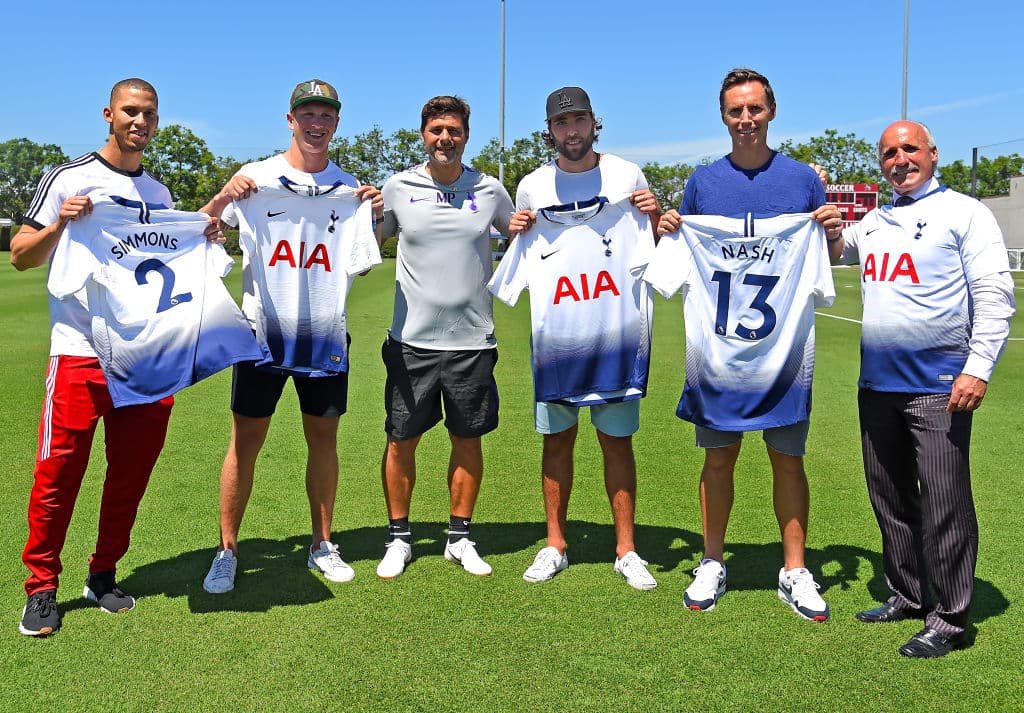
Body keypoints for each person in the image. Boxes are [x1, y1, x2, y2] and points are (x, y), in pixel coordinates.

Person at [656, 68, 843, 620]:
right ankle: (712, 560)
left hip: (785, 353)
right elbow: (677, 257)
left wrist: (831, 232)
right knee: (718, 460)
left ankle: (795, 568)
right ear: (723, 116)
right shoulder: (702, 182)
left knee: (788, 459)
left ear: (772, 111)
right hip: (718, 355)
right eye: (736, 111)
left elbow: (826, 262)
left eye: (754, 109)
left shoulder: (803, 180)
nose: (746, 119)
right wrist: (669, 228)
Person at [829, 120, 1015, 657]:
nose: (900, 159)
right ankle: (908, 595)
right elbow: (837, 250)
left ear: (933, 154)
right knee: (889, 497)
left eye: (910, 149)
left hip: (938, 388)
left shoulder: (965, 212)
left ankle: (951, 619)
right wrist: (827, 220)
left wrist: (978, 367)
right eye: (889, 153)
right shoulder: (876, 220)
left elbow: (994, 293)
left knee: (944, 502)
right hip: (877, 385)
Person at [11, 78, 189, 636]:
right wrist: (61, 221)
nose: (140, 121)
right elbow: (20, 255)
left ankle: (103, 573)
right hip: (79, 351)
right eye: (130, 111)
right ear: (108, 114)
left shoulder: (160, 194)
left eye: (149, 114)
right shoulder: (68, 177)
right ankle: (42, 587)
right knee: (58, 473)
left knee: (130, 474)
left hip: (143, 357)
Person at [200, 79, 383, 594]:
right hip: (261, 334)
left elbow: (364, 260)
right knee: (245, 442)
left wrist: (373, 213)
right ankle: (227, 550)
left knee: (323, 440)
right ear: (290, 119)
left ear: (336, 123)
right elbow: (204, 228)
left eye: (326, 115)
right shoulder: (255, 179)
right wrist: (224, 197)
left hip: (325, 335)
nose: (316, 124)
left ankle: (322, 543)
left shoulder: (351, 191)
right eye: (308, 114)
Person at [506, 86, 662, 589]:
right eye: (561, 122)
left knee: (617, 444)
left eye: (578, 120)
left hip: (616, 338)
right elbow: (518, 254)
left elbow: (656, 249)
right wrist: (517, 231)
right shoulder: (532, 187)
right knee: (557, 442)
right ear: (550, 130)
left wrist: (653, 216)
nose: (571, 130)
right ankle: (555, 544)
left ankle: (626, 549)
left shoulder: (627, 177)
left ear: (594, 123)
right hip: (558, 343)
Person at [375, 95, 513, 579]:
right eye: (436, 130)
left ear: (466, 136)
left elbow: (521, 237)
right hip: (411, 342)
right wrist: (362, 214)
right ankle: (399, 539)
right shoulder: (398, 187)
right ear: (423, 135)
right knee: (401, 442)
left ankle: (459, 537)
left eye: (453, 130)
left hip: (472, 343)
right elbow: (369, 242)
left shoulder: (490, 189)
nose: (445, 139)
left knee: (467, 440)